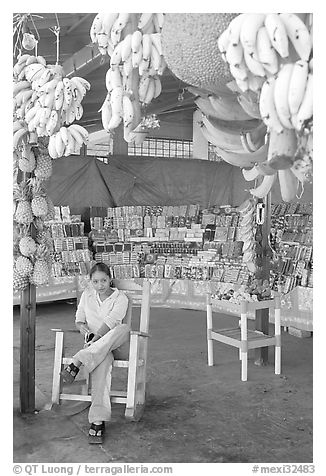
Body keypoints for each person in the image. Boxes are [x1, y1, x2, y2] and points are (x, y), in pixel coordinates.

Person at [60, 262, 130, 444]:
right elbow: (79, 319)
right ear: (91, 282)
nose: (100, 285)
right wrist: (83, 328)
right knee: (102, 362)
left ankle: (78, 360)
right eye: (96, 281)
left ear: (110, 279)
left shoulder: (120, 298)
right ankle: (97, 420)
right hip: (95, 349)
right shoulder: (87, 295)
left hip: (114, 344)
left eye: (104, 281)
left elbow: (112, 321)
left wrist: (97, 337)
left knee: (123, 328)